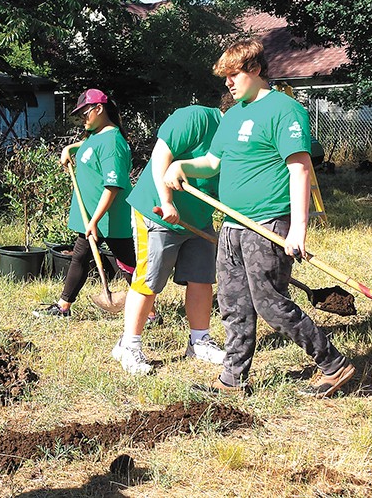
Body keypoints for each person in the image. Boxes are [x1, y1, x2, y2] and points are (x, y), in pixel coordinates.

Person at [164, 39, 356, 397]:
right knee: (234, 304)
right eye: (225, 77)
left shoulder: (285, 110)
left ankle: (333, 364)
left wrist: (298, 229)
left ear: (254, 69)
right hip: (233, 226)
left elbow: (300, 169)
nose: (228, 83)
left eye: (233, 75)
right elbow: (212, 163)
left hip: (268, 224)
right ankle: (232, 380)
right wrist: (180, 165)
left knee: (271, 304)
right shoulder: (234, 113)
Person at [111, 95, 235, 374]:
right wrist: (167, 201)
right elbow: (161, 157)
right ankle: (128, 345)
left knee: (202, 279)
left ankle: (199, 340)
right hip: (157, 212)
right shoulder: (195, 118)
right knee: (149, 280)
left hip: (198, 219)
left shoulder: (239, 141)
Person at [34, 89, 136, 317]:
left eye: (85, 113)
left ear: (99, 109)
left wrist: (95, 220)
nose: (82, 118)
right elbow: (88, 147)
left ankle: (150, 312)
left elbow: (113, 186)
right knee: (79, 256)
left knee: (128, 266)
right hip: (92, 216)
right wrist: (68, 148)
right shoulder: (97, 136)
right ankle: (63, 306)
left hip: (110, 218)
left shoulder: (112, 142)